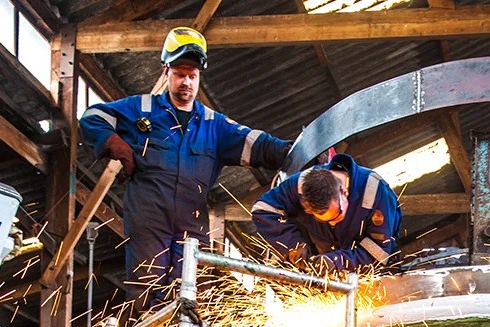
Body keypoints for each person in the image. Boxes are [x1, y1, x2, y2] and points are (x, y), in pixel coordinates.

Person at [79, 27, 292, 311]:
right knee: (148, 291)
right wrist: (115, 142)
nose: (186, 82)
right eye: (180, 74)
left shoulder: (214, 125)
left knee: (192, 293)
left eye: (192, 76)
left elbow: (261, 145)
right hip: (148, 220)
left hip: (192, 224)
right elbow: (91, 117)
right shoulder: (140, 109)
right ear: (166, 71)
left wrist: (302, 149)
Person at [252, 153, 402, 273]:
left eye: (337, 215)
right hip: (330, 277)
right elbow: (262, 210)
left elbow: (379, 252)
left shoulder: (376, 191)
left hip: (378, 275)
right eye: (324, 220)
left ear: (343, 191)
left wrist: (334, 262)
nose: (333, 223)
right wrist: (294, 246)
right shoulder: (301, 185)